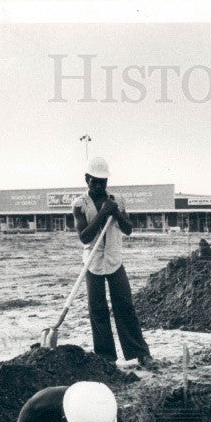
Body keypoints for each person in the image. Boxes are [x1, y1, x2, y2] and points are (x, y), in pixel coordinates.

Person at [73, 156, 155, 369]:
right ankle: (106, 357)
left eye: (104, 181)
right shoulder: (79, 204)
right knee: (97, 309)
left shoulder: (117, 199)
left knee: (125, 306)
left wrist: (115, 211)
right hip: (92, 263)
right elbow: (84, 237)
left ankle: (140, 353)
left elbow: (128, 229)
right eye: (95, 181)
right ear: (86, 179)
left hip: (114, 261)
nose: (100, 185)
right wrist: (103, 213)